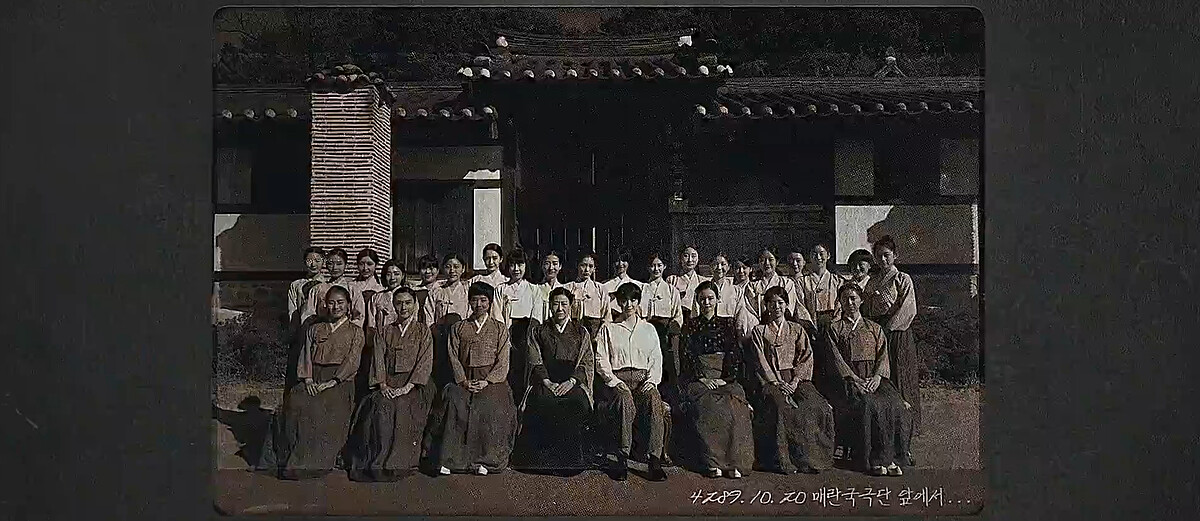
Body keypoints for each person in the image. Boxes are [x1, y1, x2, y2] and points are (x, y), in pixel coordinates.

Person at [426, 282, 517, 476]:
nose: (479, 305)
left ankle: (486, 459)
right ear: (469, 302)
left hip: (491, 380)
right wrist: (463, 381)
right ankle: (451, 459)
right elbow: (453, 356)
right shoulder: (459, 327)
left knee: (491, 405)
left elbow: (503, 360)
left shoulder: (500, 328)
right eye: (474, 300)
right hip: (465, 378)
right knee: (454, 402)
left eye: (484, 300)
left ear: (490, 303)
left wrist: (488, 381)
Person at [346, 288, 435, 481]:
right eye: (399, 303)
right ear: (394, 305)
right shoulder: (384, 331)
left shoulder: (423, 331)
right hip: (388, 382)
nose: (403, 307)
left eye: (408, 303)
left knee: (403, 406)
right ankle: (377, 460)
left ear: (415, 305)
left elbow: (424, 362)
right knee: (380, 406)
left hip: (414, 384)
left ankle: (398, 461)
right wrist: (383, 385)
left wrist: (408, 387)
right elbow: (378, 360)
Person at [275, 286, 364, 479]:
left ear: (349, 305)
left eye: (340, 302)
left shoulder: (356, 332)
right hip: (314, 376)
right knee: (296, 399)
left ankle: (316, 462)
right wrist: (307, 379)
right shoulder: (315, 329)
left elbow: (352, 361)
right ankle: (291, 457)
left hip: (340, 381)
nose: (336, 307)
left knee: (323, 405)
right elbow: (305, 355)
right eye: (331, 303)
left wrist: (332, 381)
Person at [825, 284, 912, 476]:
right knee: (869, 403)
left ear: (861, 300)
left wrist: (878, 376)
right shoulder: (834, 328)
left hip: (874, 377)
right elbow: (835, 359)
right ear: (840, 302)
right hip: (848, 380)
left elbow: (883, 356)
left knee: (895, 403)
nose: (850, 303)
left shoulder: (874, 328)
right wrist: (855, 379)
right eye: (845, 299)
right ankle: (874, 459)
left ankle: (893, 458)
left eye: (854, 298)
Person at [749, 287, 836, 474]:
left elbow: (806, 357)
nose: (776, 307)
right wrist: (776, 382)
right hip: (771, 380)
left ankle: (811, 458)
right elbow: (760, 361)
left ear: (787, 305)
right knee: (782, 407)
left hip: (797, 379)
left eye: (780, 303)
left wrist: (795, 381)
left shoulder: (797, 329)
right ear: (766, 306)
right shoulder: (759, 331)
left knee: (816, 405)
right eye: (772, 303)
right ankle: (785, 460)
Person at [514, 287, 595, 475]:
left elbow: (587, 361)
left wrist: (572, 381)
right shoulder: (538, 331)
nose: (560, 308)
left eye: (564, 304)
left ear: (570, 306)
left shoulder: (581, 332)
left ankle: (570, 462)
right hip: (545, 380)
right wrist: (547, 382)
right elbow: (534, 359)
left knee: (577, 402)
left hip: (572, 381)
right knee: (542, 401)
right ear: (550, 306)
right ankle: (542, 462)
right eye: (556, 304)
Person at [678, 281, 755, 479]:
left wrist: (725, 379)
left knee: (735, 405)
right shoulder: (690, 326)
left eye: (710, 298)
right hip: (699, 379)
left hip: (724, 378)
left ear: (718, 299)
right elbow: (686, 355)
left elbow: (734, 354)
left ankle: (736, 462)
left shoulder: (727, 324)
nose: (706, 303)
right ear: (697, 301)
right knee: (710, 405)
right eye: (702, 299)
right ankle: (713, 462)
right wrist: (702, 377)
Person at [594, 282, 668, 481]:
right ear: (618, 302)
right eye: (624, 300)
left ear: (638, 301)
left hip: (643, 379)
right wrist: (614, 380)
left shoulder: (648, 329)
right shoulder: (608, 329)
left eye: (633, 300)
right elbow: (601, 359)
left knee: (653, 398)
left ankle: (654, 459)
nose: (629, 304)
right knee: (624, 400)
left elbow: (656, 358)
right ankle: (622, 458)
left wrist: (652, 380)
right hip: (619, 380)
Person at [862, 235, 921, 447]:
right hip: (878, 334)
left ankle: (906, 435)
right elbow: (866, 309)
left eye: (887, 255)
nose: (883, 260)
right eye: (879, 256)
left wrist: (888, 328)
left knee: (901, 378)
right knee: (883, 380)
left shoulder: (903, 279)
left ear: (895, 255)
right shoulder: (872, 281)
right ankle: (886, 432)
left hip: (898, 334)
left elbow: (908, 309)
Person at [494, 249, 543, 403]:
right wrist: (505, 337)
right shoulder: (501, 289)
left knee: (526, 372)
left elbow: (536, 317)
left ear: (525, 266)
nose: (516, 269)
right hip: (507, 334)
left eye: (520, 264)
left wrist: (530, 339)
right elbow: (497, 315)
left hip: (527, 335)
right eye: (512, 265)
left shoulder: (534, 289)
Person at [797, 244, 845, 398]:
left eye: (822, 253)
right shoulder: (802, 282)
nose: (818, 257)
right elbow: (800, 305)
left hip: (832, 324)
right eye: (814, 254)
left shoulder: (837, 280)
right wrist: (810, 326)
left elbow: (840, 304)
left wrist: (835, 323)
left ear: (828, 255)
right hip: (812, 325)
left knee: (834, 362)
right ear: (809, 257)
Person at [639, 253, 683, 404]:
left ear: (664, 267)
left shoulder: (672, 290)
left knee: (667, 365)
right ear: (648, 268)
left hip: (666, 335)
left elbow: (678, 316)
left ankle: (668, 400)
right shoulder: (642, 288)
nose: (656, 269)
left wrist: (670, 330)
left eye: (659, 265)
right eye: (653, 266)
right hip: (646, 333)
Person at [426, 253, 470, 387]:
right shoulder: (436, 291)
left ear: (463, 268)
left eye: (456, 267)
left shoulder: (467, 290)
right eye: (448, 267)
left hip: (462, 337)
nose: (452, 270)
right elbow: (429, 315)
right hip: (440, 337)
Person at [286, 247, 327, 387]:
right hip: (301, 328)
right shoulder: (296, 285)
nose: (313, 264)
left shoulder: (327, 285)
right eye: (309, 260)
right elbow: (292, 309)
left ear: (323, 262)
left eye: (317, 260)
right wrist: (294, 330)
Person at [745, 247, 812, 330]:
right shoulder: (752, 286)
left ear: (777, 261)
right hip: (759, 326)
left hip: (783, 325)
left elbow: (788, 308)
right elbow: (751, 310)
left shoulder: (787, 283)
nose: (766, 263)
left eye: (770, 259)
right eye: (762, 260)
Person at [301, 248, 367, 328]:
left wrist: (349, 331)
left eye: (339, 264)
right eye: (330, 264)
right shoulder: (317, 289)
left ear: (346, 265)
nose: (334, 267)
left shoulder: (353, 289)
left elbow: (359, 316)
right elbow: (308, 314)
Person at [707, 253, 756, 338]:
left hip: (730, 333)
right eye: (715, 264)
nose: (719, 268)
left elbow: (740, 314)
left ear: (729, 267)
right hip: (708, 330)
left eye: (723, 264)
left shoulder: (736, 290)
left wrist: (739, 333)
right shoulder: (704, 288)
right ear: (710, 266)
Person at [566, 252, 611, 341]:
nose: (587, 269)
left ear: (594, 269)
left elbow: (607, 316)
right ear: (577, 266)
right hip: (573, 333)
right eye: (583, 265)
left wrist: (599, 337)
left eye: (590, 266)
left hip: (595, 335)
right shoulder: (569, 288)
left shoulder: (600, 289)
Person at [666, 246, 710, 322]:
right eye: (686, 256)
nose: (690, 260)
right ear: (680, 258)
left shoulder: (703, 281)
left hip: (698, 321)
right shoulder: (672, 280)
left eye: (693, 256)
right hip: (677, 320)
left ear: (698, 258)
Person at [603, 249, 643, 320]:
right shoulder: (605, 286)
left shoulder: (638, 285)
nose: (620, 263)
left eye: (624, 260)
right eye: (617, 261)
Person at [369, 260, 407, 334]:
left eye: (396, 274)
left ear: (402, 276)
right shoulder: (376, 297)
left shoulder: (409, 296)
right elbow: (371, 324)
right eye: (388, 274)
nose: (392, 277)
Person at [534, 250, 566, 321]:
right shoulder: (535, 289)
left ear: (560, 266)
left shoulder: (564, 290)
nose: (551, 268)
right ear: (542, 266)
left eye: (555, 264)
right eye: (547, 264)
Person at [410, 254, 441, 325]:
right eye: (424, 268)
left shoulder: (441, 290)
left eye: (431, 268)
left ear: (438, 270)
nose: (428, 271)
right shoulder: (414, 290)